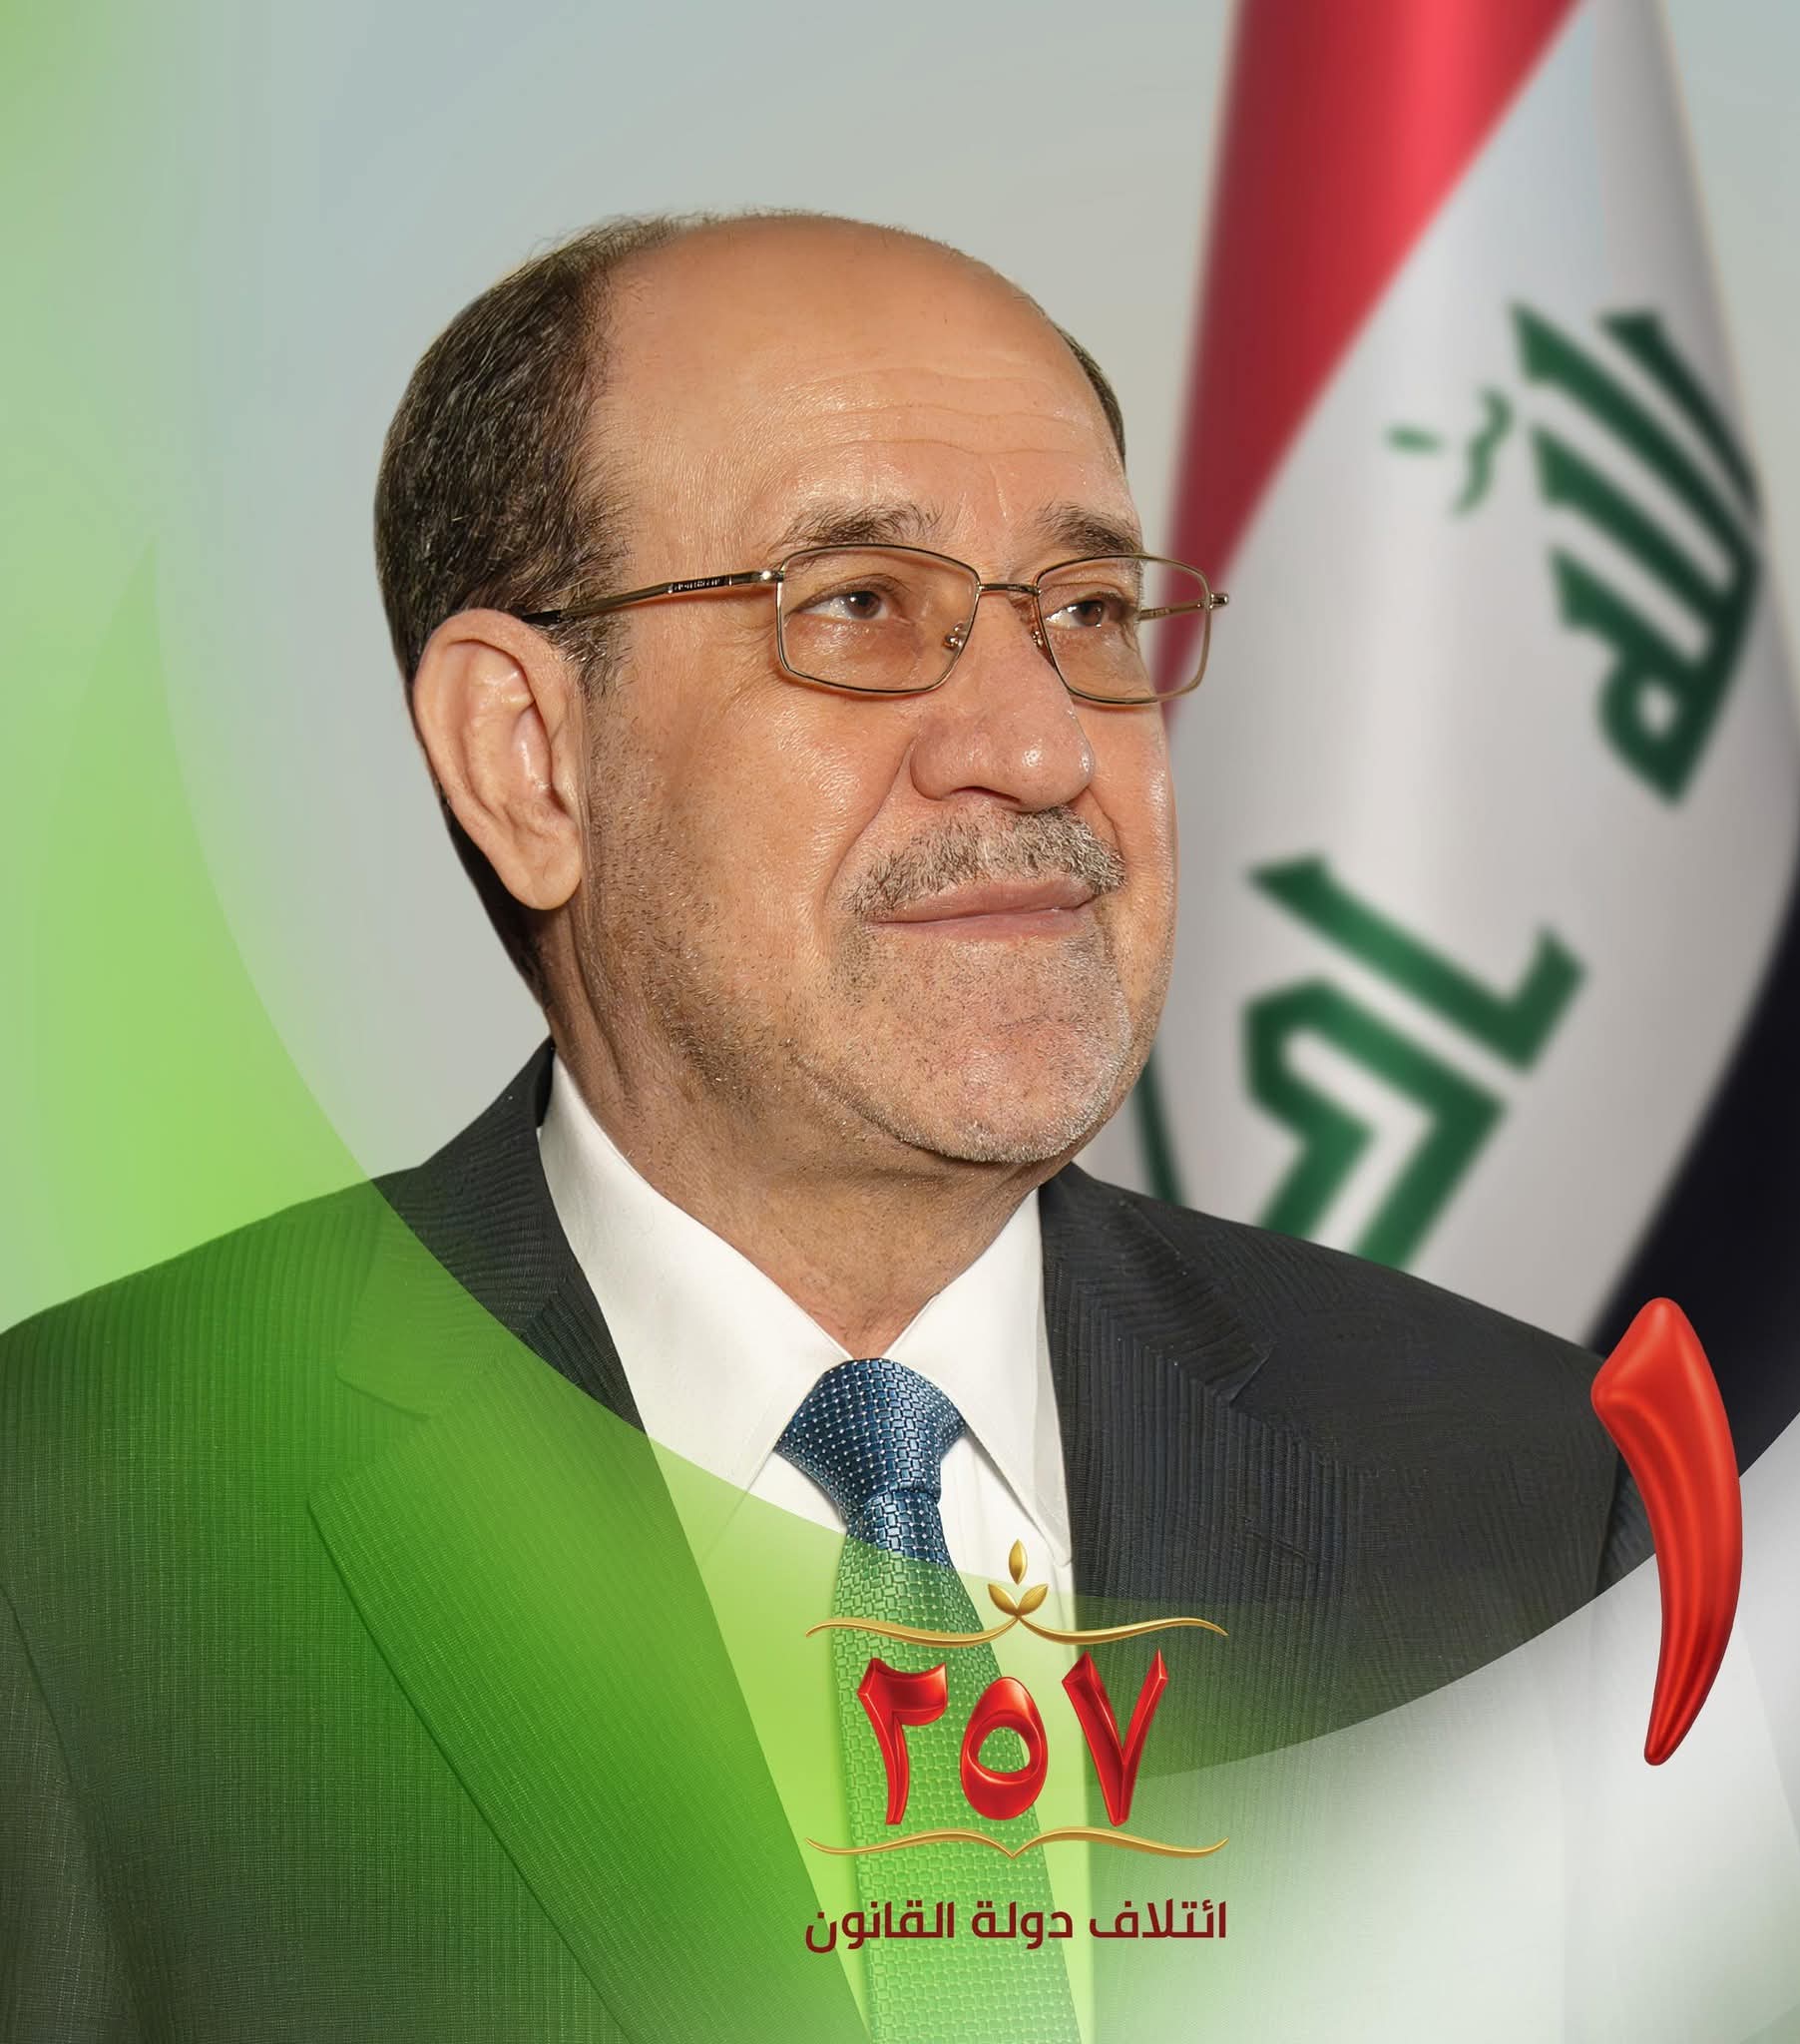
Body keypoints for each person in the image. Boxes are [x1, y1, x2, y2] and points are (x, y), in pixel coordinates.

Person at [0, 212, 1647, 2040]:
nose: (1041, 747)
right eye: (858, 606)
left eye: (1089, 615)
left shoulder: (1531, 1497)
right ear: (528, 756)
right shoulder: (79, 1533)